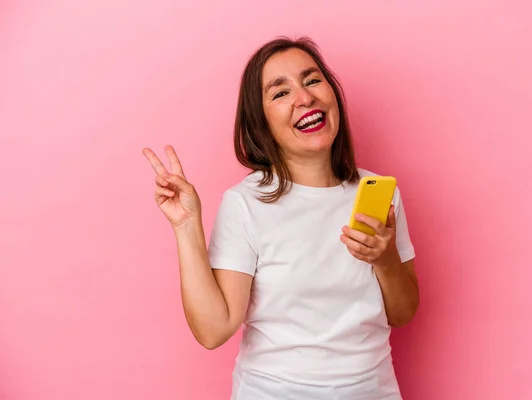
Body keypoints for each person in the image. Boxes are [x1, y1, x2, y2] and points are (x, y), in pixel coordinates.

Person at [142, 36, 419, 400]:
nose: (304, 98)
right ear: (261, 124)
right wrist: (185, 226)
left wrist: (384, 260)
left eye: (312, 80)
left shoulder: (380, 195)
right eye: (279, 92)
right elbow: (214, 330)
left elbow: (403, 312)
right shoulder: (245, 204)